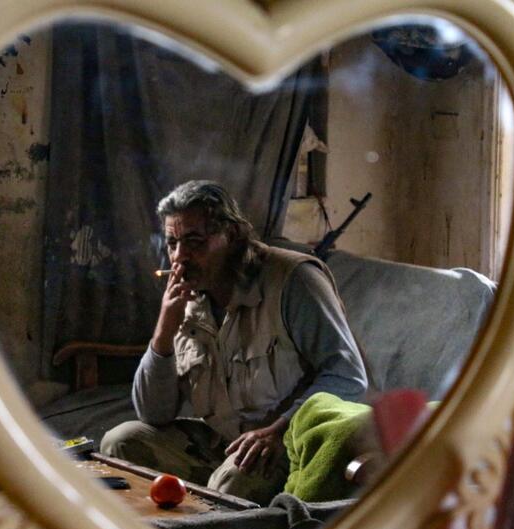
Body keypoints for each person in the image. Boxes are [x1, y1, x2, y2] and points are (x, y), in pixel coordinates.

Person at [100, 180, 367, 505]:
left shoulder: (293, 281)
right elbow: (153, 413)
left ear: (231, 236)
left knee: (228, 486)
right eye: (172, 243)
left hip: (286, 442)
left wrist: (280, 431)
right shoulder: (188, 293)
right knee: (119, 443)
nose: (179, 258)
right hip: (223, 440)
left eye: (195, 241)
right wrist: (164, 330)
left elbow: (347, 376)